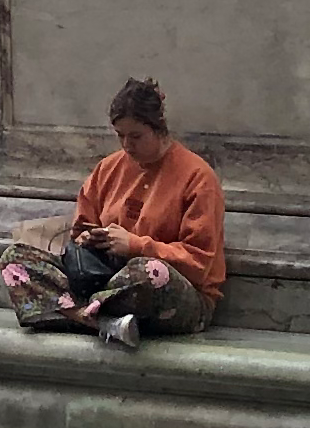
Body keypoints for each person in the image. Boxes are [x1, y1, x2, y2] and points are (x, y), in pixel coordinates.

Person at [56, 77, 225, 347]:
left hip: (173, 291)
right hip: (103, 276)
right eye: (120, 136)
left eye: (136, 136)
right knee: (17, 259)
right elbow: (82, 228)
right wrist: (88, 239)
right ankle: (103, 320)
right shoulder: (108, 168)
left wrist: (135, 245)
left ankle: (80, 313)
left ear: (159, 129)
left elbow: (199, 264)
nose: (127, 145)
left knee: (149, 271)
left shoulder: (198, 177)